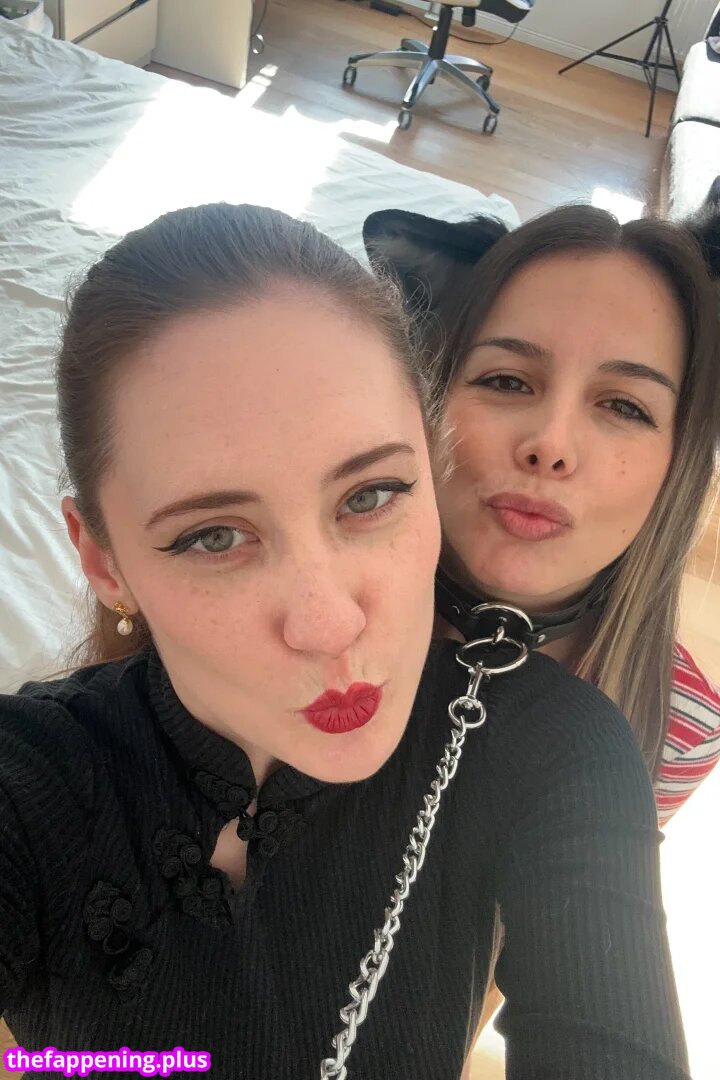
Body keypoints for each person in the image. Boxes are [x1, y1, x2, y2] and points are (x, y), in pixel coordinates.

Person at [0, 203, 691, 1080]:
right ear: (103, 561)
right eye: (214, 536)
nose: (330, 623)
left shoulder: (560, 751)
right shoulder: (30, 781)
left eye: (371, 496)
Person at [364, 192, 720, 827]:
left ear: (680, 464)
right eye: (506, 381)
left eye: (624, 406)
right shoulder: (286, 616)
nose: (550, 446)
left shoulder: (681, 732)